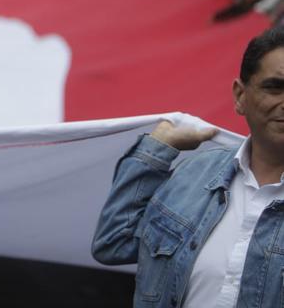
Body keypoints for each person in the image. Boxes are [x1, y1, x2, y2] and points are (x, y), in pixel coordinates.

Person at [92, 26, 284, 306]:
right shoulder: (192, 175)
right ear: (240, 96)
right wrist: (156, 150)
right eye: (274, 87)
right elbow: (113, 243)